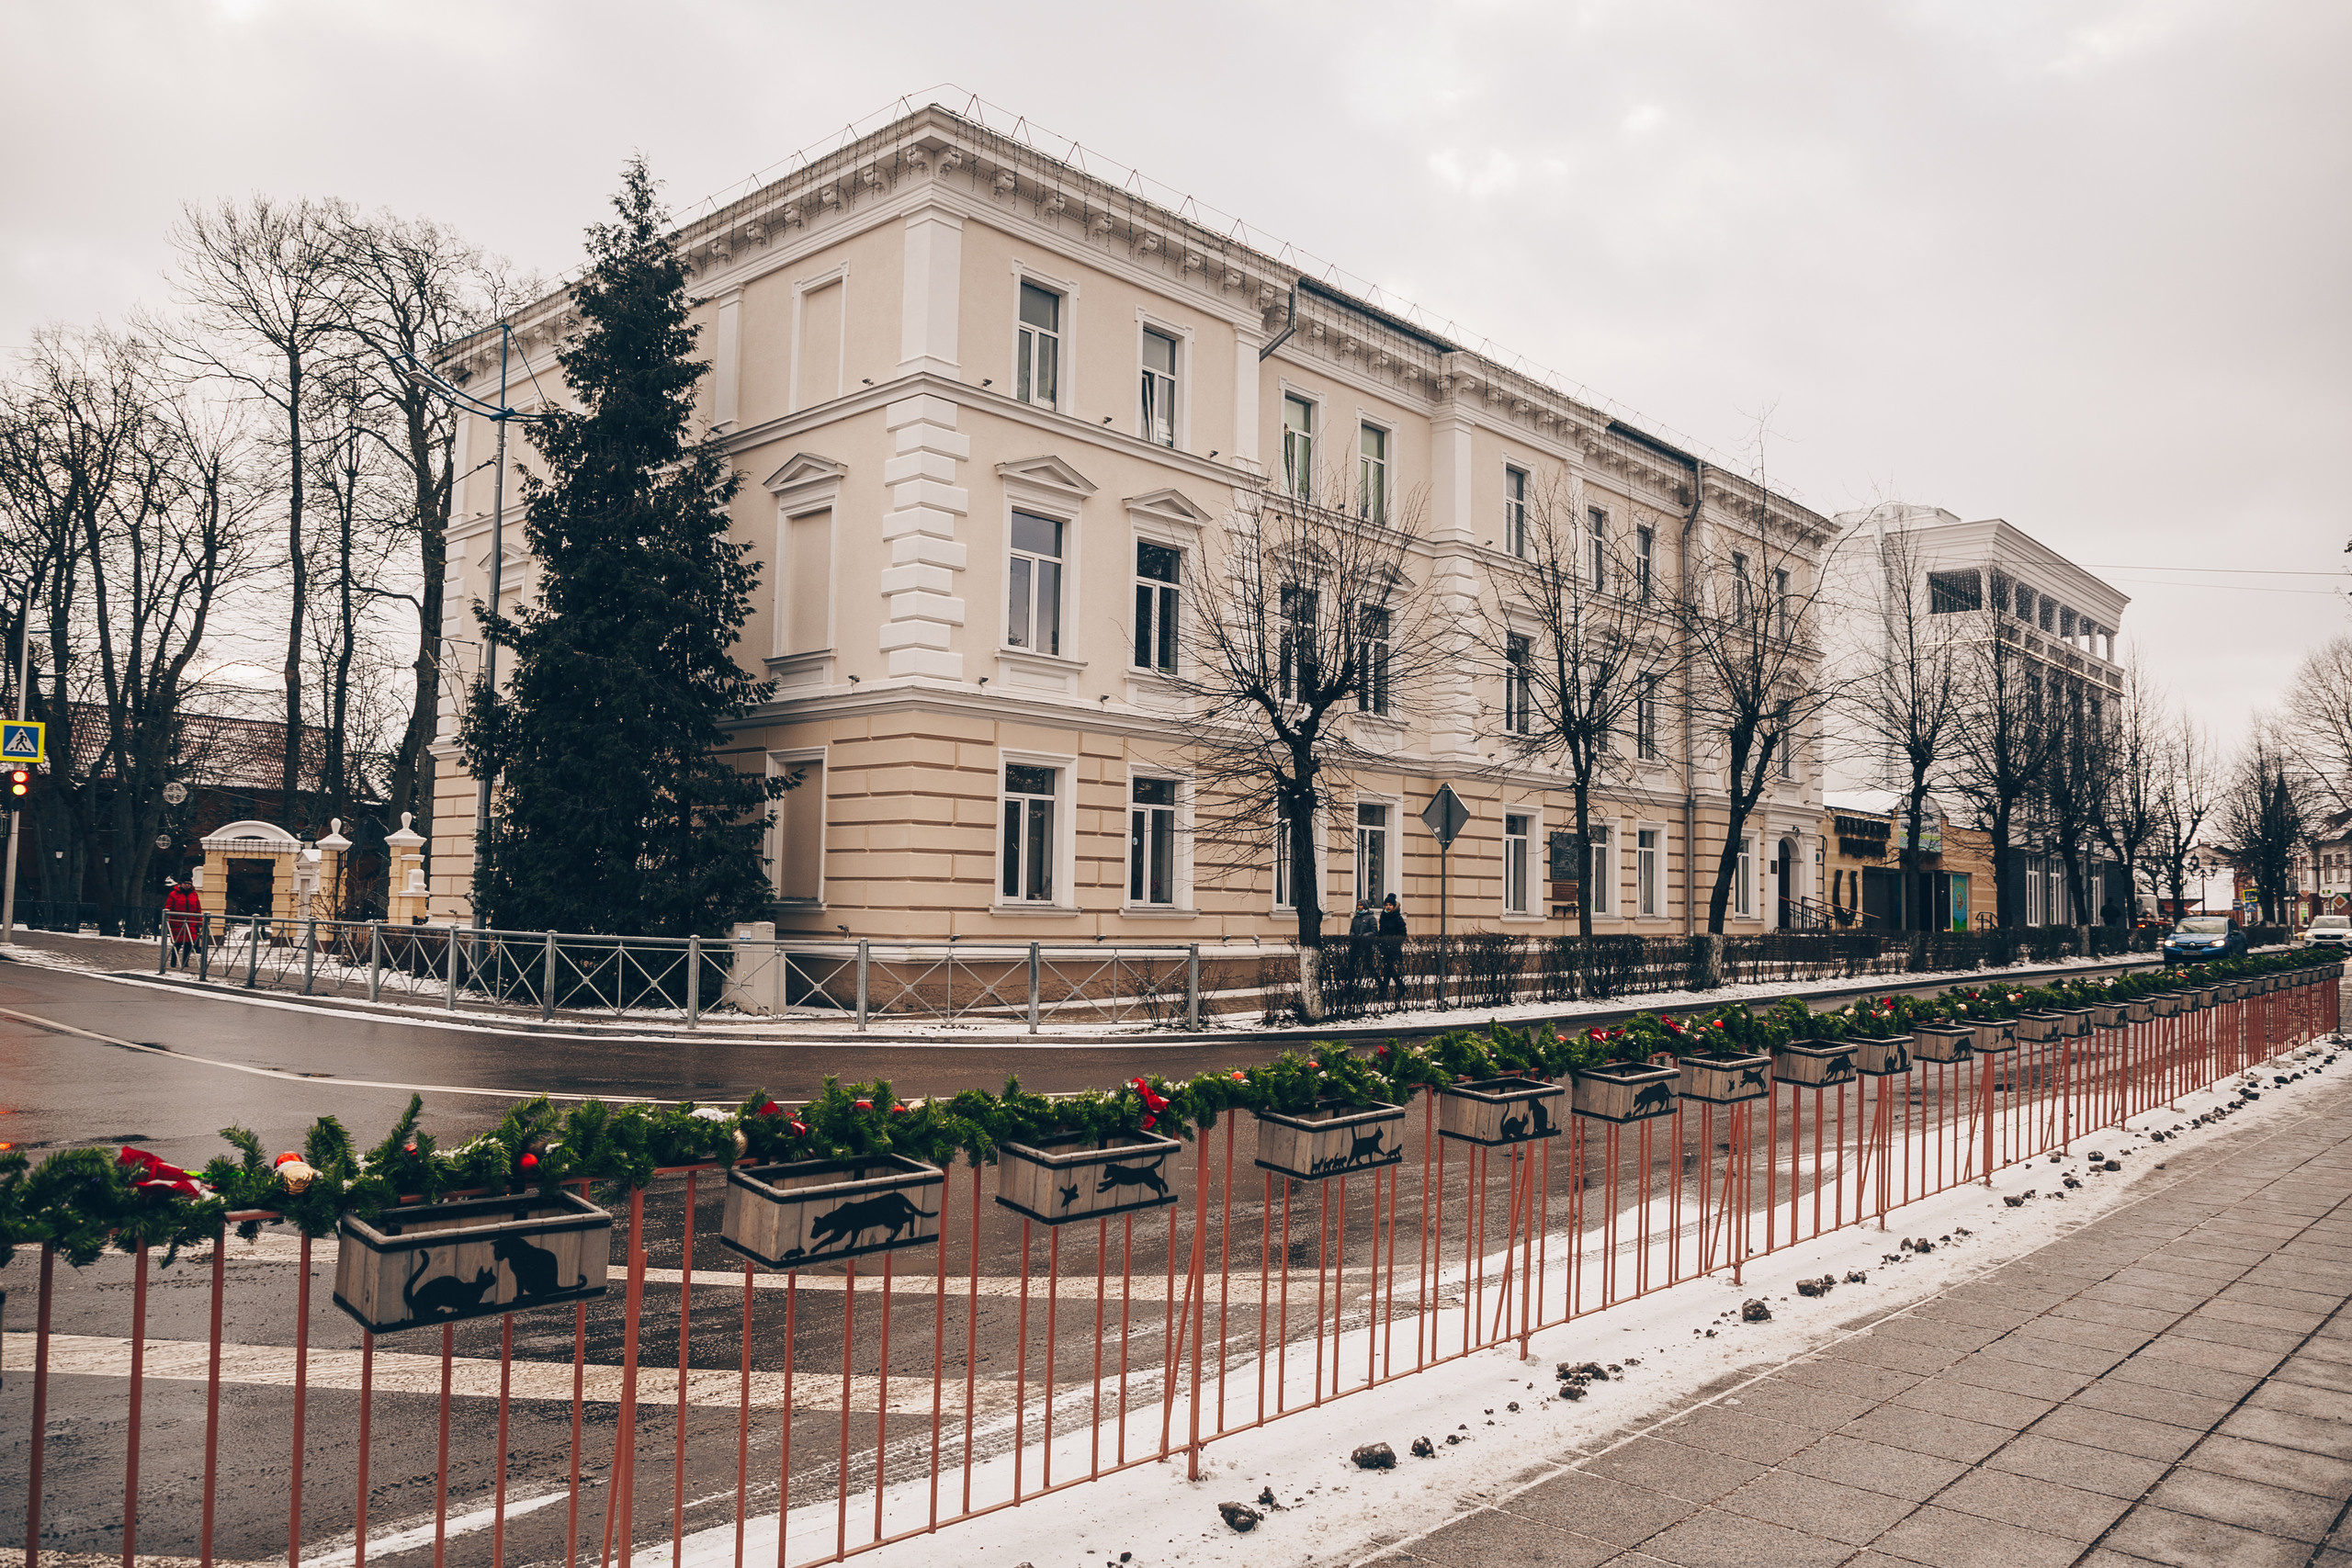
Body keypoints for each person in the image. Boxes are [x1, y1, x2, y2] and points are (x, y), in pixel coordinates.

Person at [164, 877, 203, 969]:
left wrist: (199, 922)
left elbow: (198, 909)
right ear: (180, 884)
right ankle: (173, 961)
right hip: (178, 922)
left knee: (189, 944)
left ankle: (185, 962)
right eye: (185, 883)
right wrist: (170, 920)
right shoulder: (173, 894)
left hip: (191, 923)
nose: (187, 885)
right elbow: (169, 907)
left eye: (189, 883)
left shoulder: (194, 895)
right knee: (177, 943)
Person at [1376, 893, 1408, 1001]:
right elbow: (1381, 930)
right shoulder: (1383, 916)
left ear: (1394, 906)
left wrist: (1395, 942)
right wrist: (1379, 940)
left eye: (1390, 905)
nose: (1388, 906)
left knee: (1388, 969)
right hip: (1384, 947)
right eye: (1386, 904)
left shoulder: (1398, 918)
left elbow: (1403, 933)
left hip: (1393, 948)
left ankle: (1384, 993)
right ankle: (1400, 987)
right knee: (1388, 969)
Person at [1346, 897, 1377, 993]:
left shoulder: (1370, 918)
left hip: (1366, 946)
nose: (1359, 907)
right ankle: (1349, 987)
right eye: (1358, 905)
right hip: (1355, 945)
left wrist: (1363, 936)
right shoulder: (1356, 918)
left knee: (1369, 966)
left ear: (1365, 906)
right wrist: (1353, 936)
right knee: (1351, 966)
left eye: (1361, 905)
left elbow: (1374, 931)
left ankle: (1380, 982)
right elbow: (1352, 930)